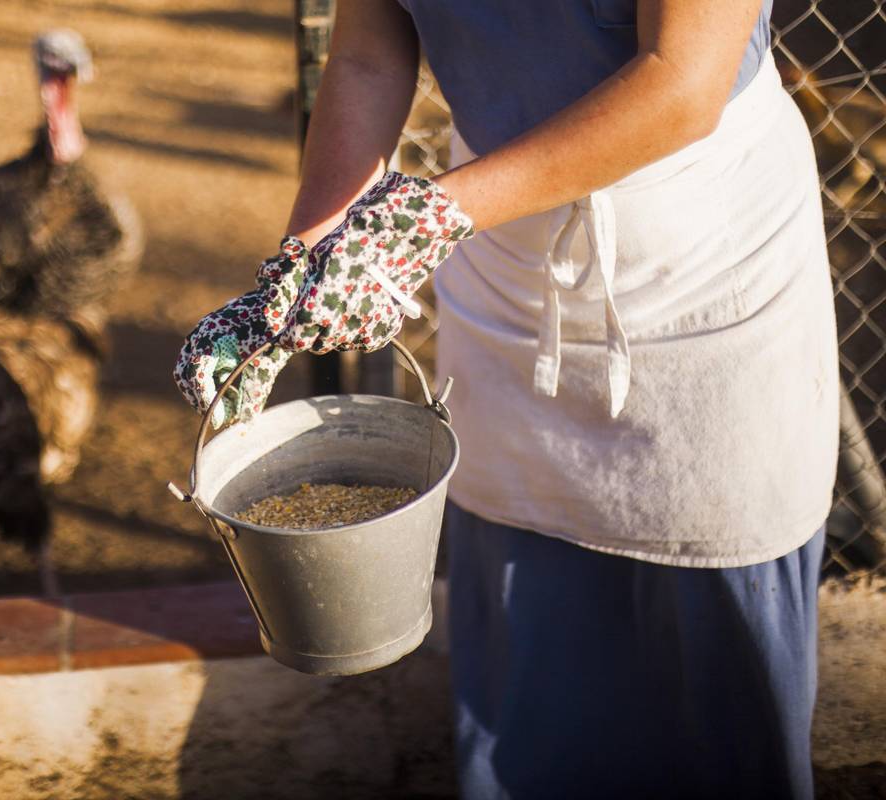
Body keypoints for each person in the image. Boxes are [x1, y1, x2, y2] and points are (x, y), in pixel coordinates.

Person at [173, 1, 837, 797]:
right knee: (531, 627)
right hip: (500, 252)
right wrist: (306, 263)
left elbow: (682, 83)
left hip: (697, 260)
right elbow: (366, 57)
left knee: (718, 653)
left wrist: (430, 219)